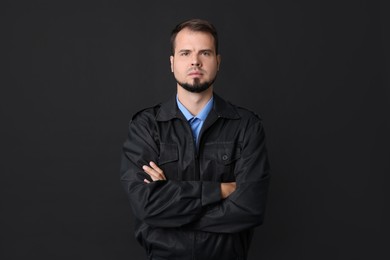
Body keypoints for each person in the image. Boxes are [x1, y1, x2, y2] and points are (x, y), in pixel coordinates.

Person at [120, 18, 271, 260]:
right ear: (172, 63)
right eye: (185, 53)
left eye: (205, 53)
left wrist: (170, 208)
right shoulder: (147, 126)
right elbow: (146, 206)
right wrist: (220, 191)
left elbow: (249, 208)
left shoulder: (246, 126)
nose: (195, 61)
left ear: (218, 62)